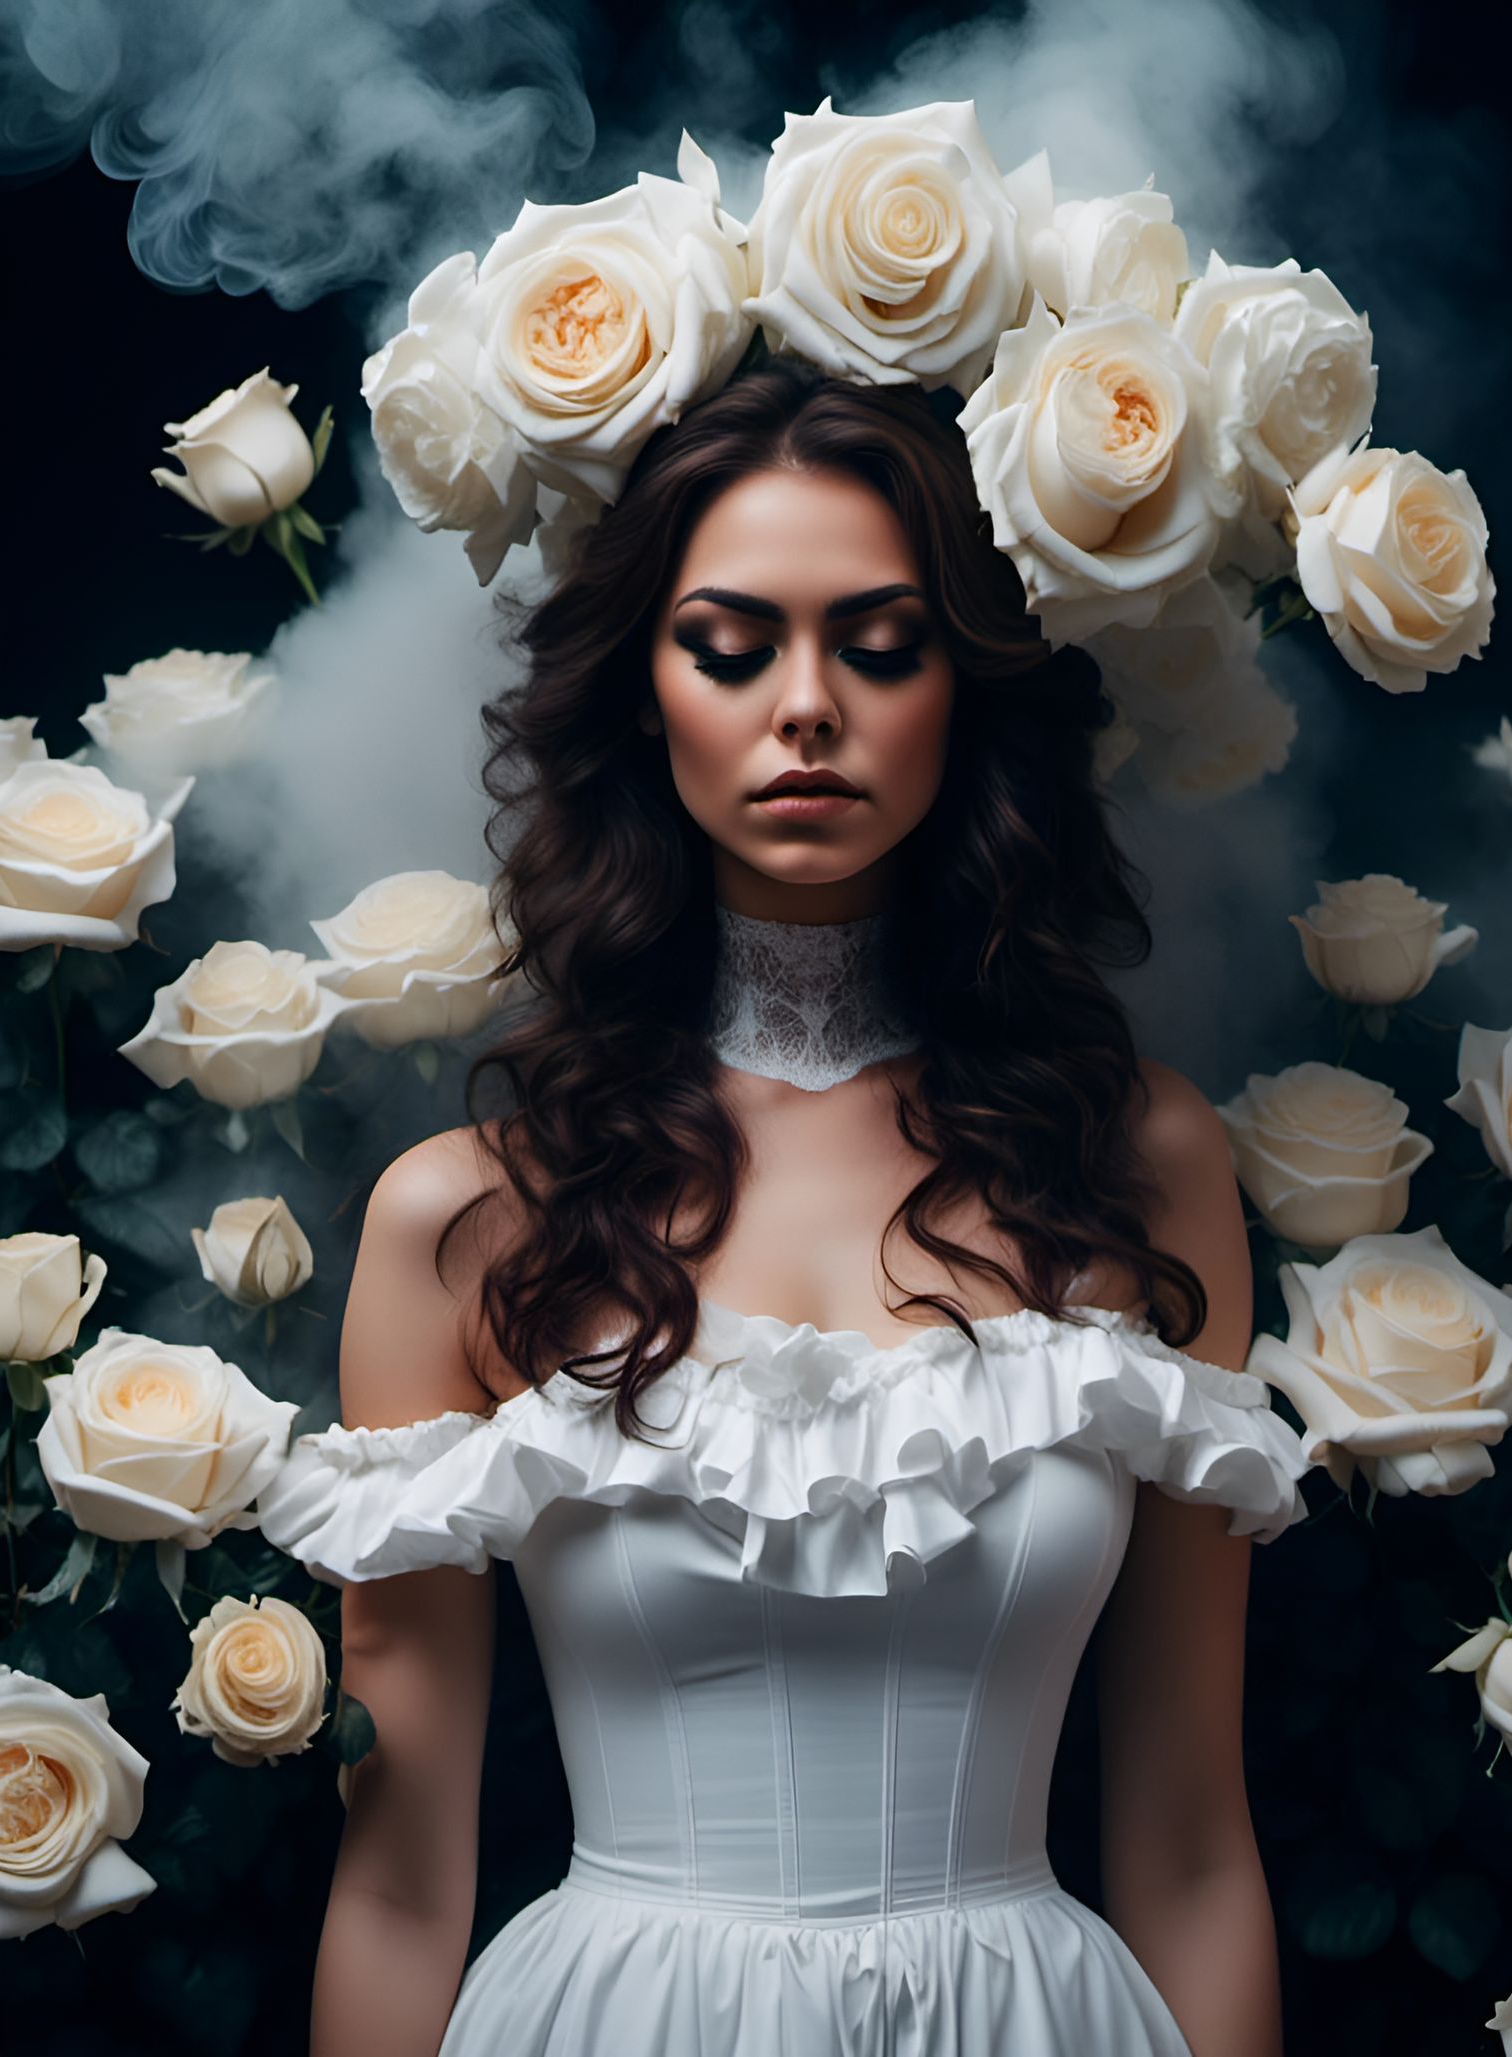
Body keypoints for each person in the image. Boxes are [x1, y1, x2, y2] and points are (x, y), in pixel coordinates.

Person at [257, 357, 1310, 2057]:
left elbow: (1189, 1843)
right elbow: (394, 1886)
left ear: (965, 687)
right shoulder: (464, 1222)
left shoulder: (1138, 1166)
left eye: (881, 645)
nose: (804, 706)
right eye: (731, 647)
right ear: (643, 689)